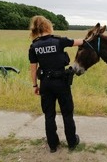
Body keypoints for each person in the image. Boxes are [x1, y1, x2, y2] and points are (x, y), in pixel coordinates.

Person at [28, 15, 83, 153]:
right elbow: (80, 42)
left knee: (49, 115)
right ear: (48, 26)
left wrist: (35, 85)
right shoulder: (59, 41)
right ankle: (71, 142)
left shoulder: (34, 46)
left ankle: (53, 145)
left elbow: (33, 69)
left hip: (45, 84)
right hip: (61, 83)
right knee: (67, 113)